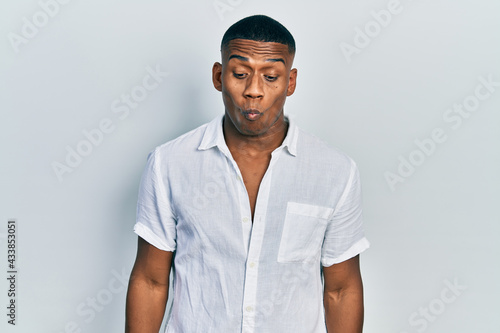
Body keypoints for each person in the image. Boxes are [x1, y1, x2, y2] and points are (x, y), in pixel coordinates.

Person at [125, 14, 370, 333]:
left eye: (270, 77)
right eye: (240, 73)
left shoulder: (336, 171)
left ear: (291, 82)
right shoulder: (169, 163)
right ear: (218, 75)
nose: (253, 91)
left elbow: (341, 289)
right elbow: (150, 279)